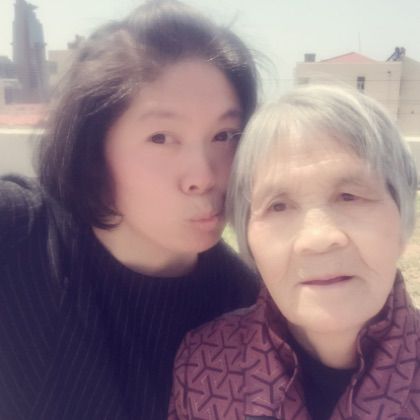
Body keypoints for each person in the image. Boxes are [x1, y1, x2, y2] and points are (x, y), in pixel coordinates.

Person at [0, 1, 260, 419]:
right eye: (161, 137)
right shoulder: (20, 235)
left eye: (225, 135)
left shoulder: (244, 305)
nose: (204, 176)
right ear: (94, 147)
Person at [169, 84, 420, 419]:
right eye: (279, 206)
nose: (317, 238)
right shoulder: (203, 363)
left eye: (350, 196)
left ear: (402, 218)